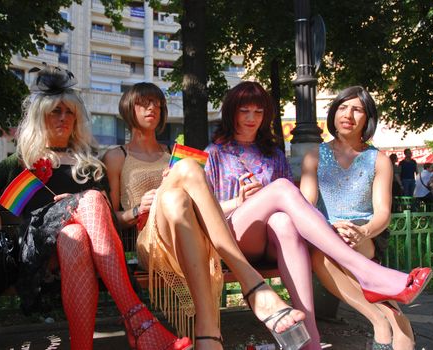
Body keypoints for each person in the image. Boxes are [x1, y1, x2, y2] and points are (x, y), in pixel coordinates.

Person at [0, 67, 192, 350]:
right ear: (40, 117)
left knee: (76, 236)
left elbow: (107, 220)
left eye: (69, 112)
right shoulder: (22, 161)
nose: (63, 118)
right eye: (55, 112)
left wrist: (74, 207)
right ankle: (139, 320)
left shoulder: (90, 164)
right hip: (39, 254)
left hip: (82, 253)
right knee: (91, 200)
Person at [204, 81, 432, 350]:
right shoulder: (213, 154)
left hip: (272, 240)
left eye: (259, 112)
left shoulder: (274, 155)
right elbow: (203, 209)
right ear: (232, 113)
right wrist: (238, 201)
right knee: (282, 189)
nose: (252, 118)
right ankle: (369, 273)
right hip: (232, 238)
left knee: (283, 220)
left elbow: (294, 206)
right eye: (244, 111)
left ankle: (309, 340)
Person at [103, 82, 305, 350]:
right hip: (150, 239)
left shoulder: (173, 153)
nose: (152, 108)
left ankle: (208, 334)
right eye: (143, 103)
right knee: (186, 170)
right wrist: (135, 210)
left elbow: (201, 205)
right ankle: (252, 286)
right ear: (129, 109)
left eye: (157, 103)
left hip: (188, 234)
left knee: (176, 197)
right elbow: (111, 217)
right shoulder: (117, 155)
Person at [300, 86, 415, 349]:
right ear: (333, 113)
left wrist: (363, 231)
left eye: (357, 109)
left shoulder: (378, 160)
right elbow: (305, 206)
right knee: (321, 254)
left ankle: (389, 322)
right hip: (324, 231)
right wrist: (327, 228)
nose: (348, 114)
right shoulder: (315, 155)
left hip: (365, 232)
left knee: (336, 249)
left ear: (367, 118)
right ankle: (383, 318)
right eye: (342, 107)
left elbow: (383, 213)